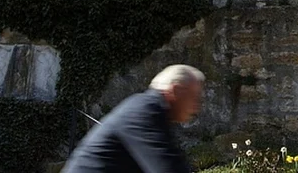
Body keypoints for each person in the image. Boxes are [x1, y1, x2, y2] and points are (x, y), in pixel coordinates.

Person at [61, 64, 206, 173]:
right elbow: (169, 168)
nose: (196, 107)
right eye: (194, 98)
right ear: (176, 91)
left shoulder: (151, 111)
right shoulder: (146, 111)